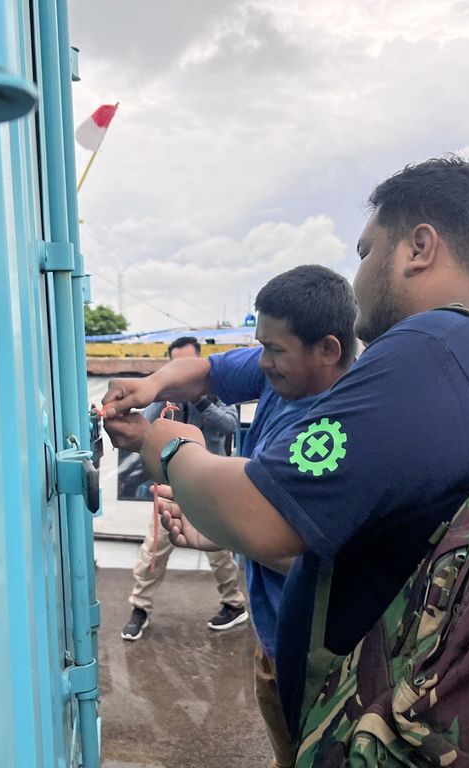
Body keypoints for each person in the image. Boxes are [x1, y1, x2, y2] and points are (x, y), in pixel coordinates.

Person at [103, 156, 469, 742]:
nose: (358, 277)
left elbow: (264, 518)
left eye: (364, 251)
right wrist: (156, 389)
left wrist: (170, 445)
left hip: (395, 720)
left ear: (418, 247)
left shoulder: (431, 350)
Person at [108, 265, 358, 768]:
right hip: (273, 633)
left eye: (274, 350)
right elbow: (208, 372)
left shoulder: (332, 429)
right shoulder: (284, 371)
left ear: (327, 350)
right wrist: (150, 384)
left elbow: (312, 560)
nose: (262, 362)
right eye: (260, 345)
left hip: (315, 654)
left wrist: (169, 451)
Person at [119, 336, 247, 641]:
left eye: (187, 363)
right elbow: (146, 434)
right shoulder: (164, 400)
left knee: (220, 555)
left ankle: (234, 605)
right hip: (171, 488)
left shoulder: (217, 397)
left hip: (210, 490)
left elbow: (230, 427)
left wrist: (202, 400)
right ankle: (140, 608)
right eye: (175, 364)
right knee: (153, 550)